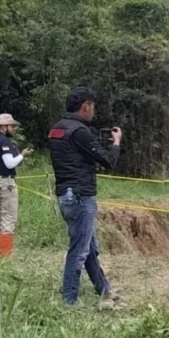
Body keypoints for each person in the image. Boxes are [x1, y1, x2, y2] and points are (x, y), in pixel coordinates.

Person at [48, 87, 122, 308]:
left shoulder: (57, 129)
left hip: (65, 195)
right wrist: (116, 142)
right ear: (85, 106)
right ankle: (68, 301)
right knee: (79, 251)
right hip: (81, 196)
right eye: (93, 106)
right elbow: (108, 161)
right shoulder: (80, 132)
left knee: (88, 247)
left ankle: (104, 290)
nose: (94, 111)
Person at [0, 114, 33, 258]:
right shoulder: (4, 141)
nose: (14, 129)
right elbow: (9, 163)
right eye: (12, 126)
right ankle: (5, 256)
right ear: (4, 126)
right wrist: (22, 155)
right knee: (8, 218)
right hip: (6, 183)